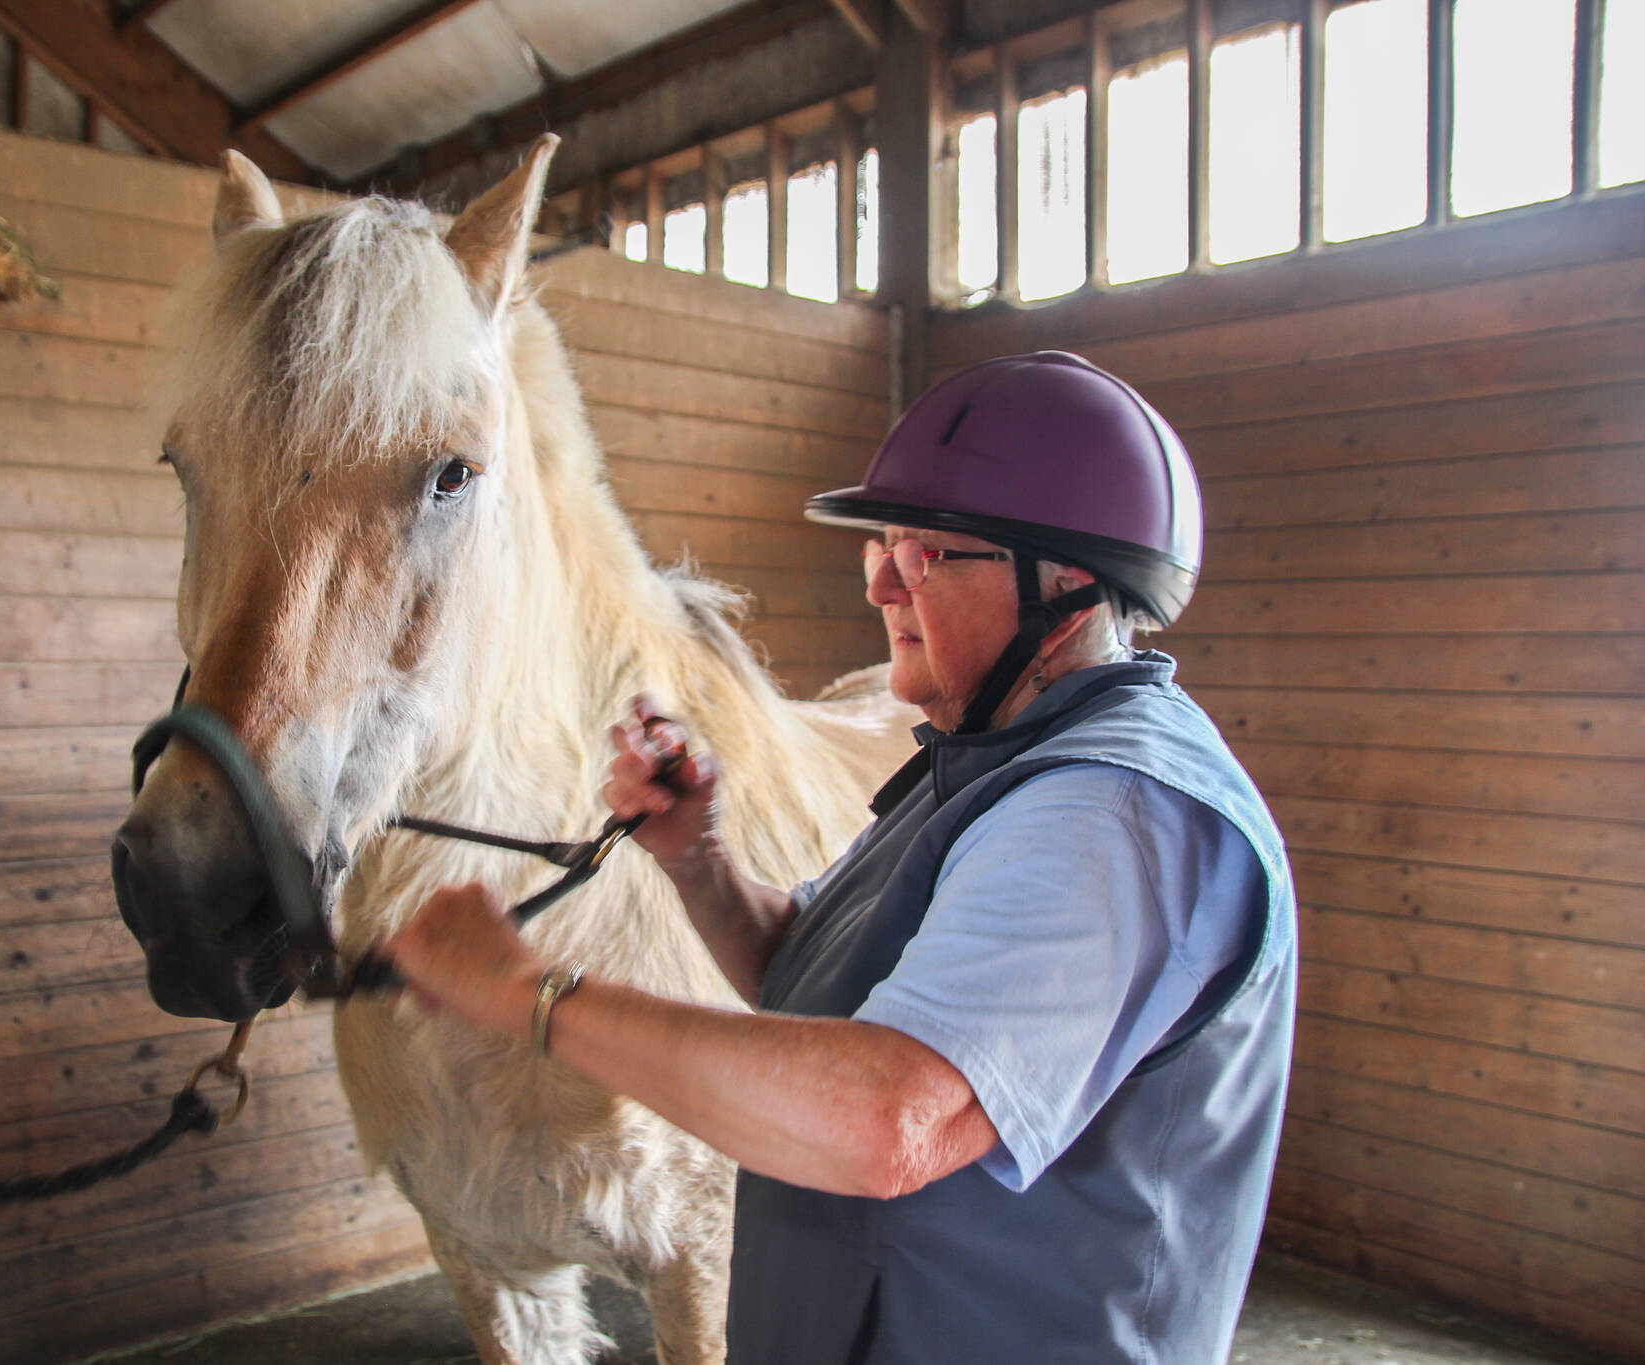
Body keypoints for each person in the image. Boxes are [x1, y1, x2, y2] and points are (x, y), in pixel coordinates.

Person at [382, 351, 1298, 1364]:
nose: (878, 582)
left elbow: (887, 1121)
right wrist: (701, 864)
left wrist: (528, 993)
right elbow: (811, 980)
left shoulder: (1106, 814)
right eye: (881, 546)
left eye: (926, 554)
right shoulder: (986, 765)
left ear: (1068, 583)